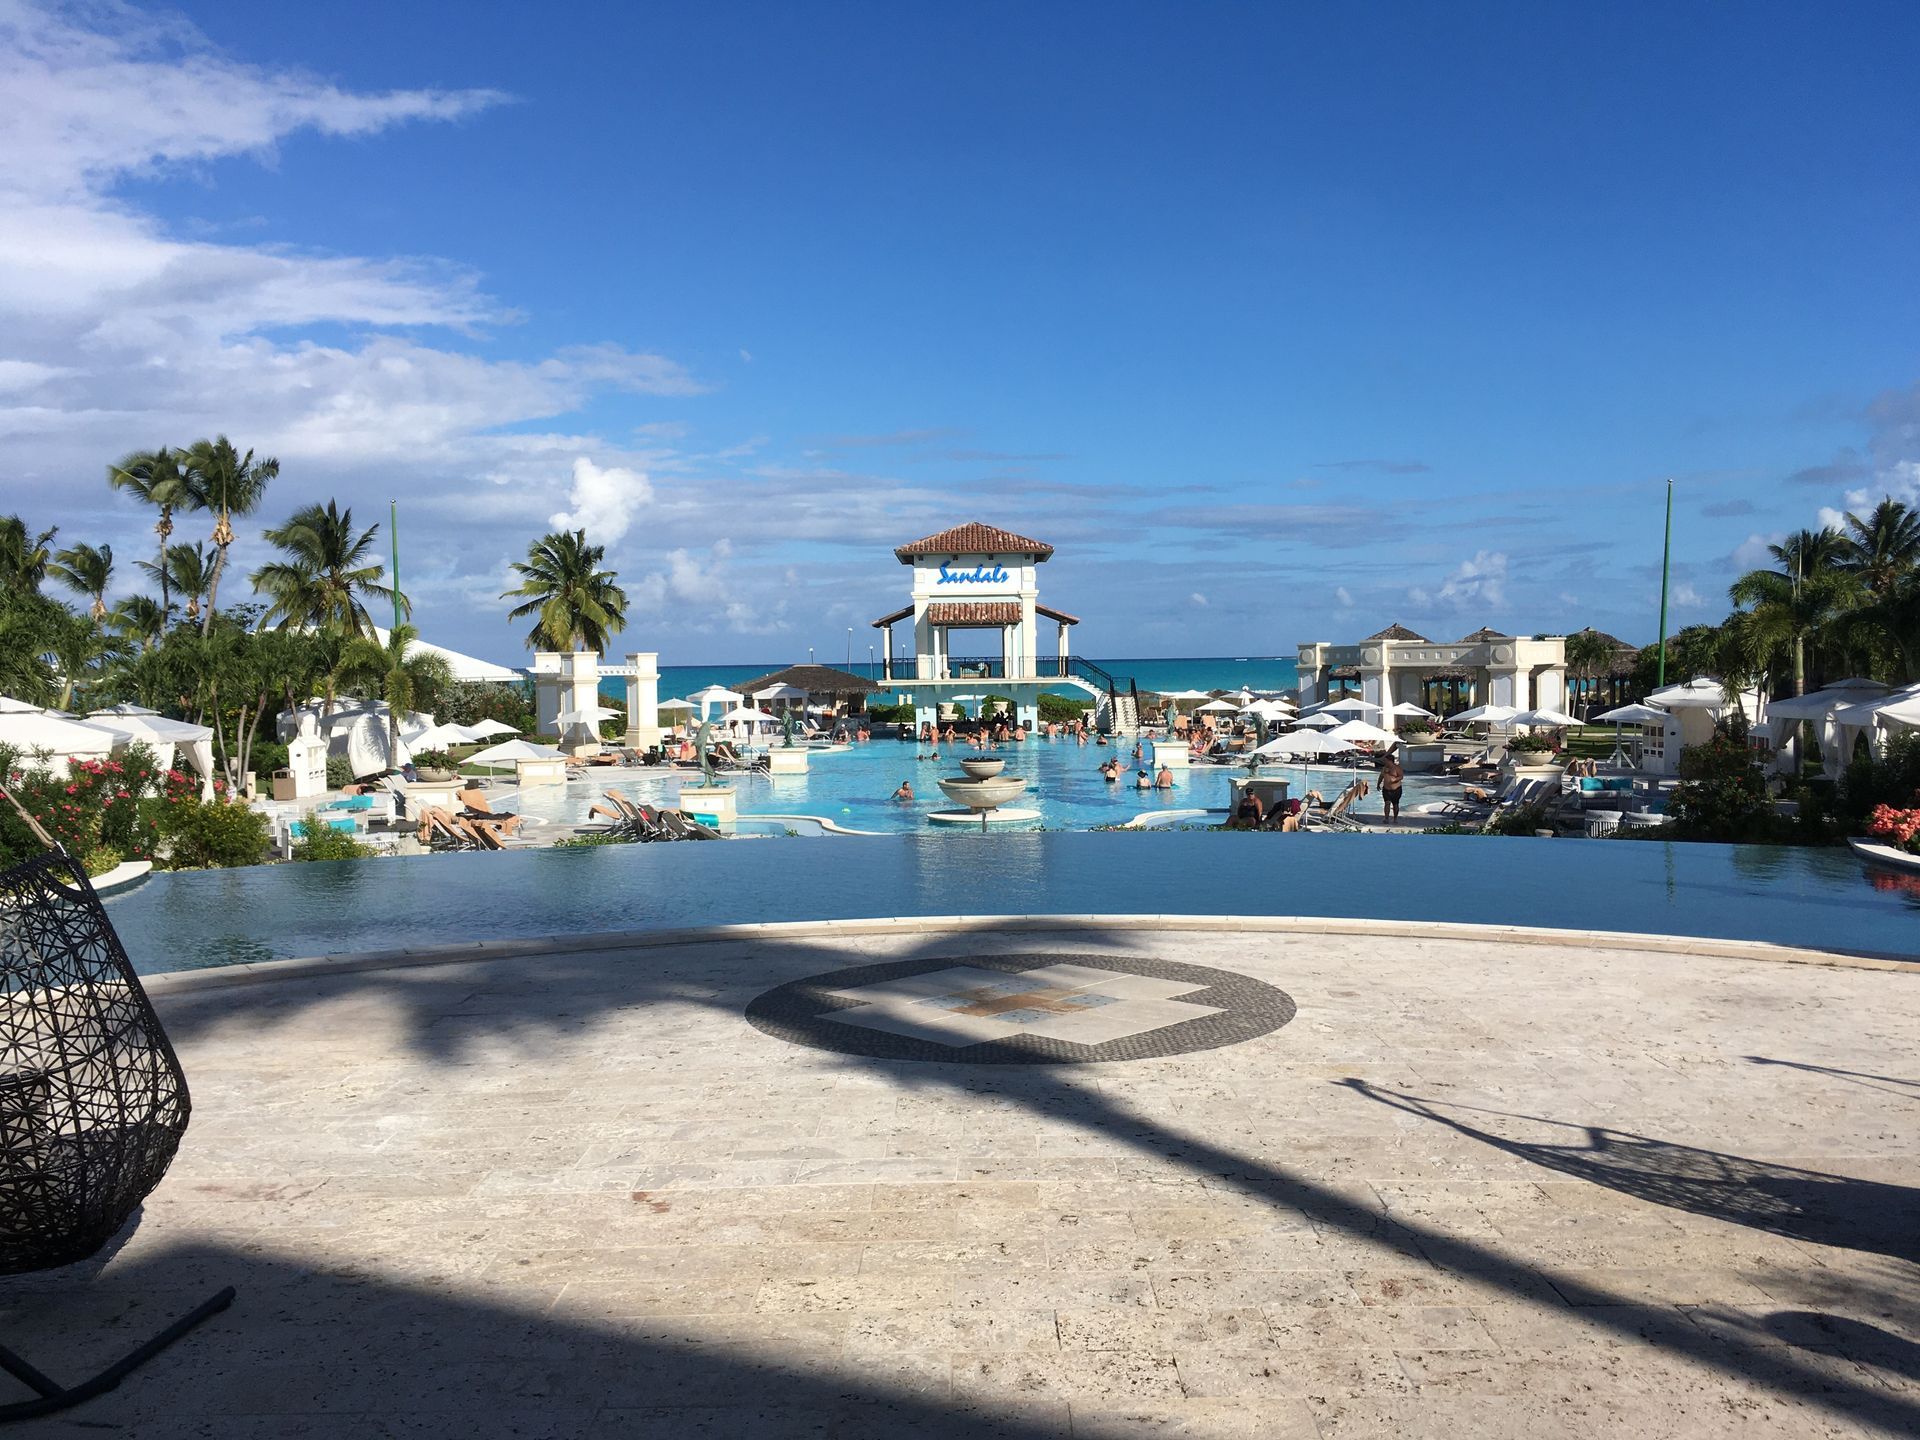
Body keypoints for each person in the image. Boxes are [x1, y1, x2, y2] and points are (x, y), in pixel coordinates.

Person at [1377, 748, 1405, 823]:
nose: (1384, 762)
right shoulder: (1384, 768)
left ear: (1390, 761)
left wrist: (1395, 780)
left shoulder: (1397, 768)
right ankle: (1386, 818)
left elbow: (1401, 776)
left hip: (1396, 789)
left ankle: (1395, 818)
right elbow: (1381, 776)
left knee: (1395, 804)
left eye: (1385, 760)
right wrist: (1378, 784)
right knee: (1387, 803)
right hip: (1386, 789)